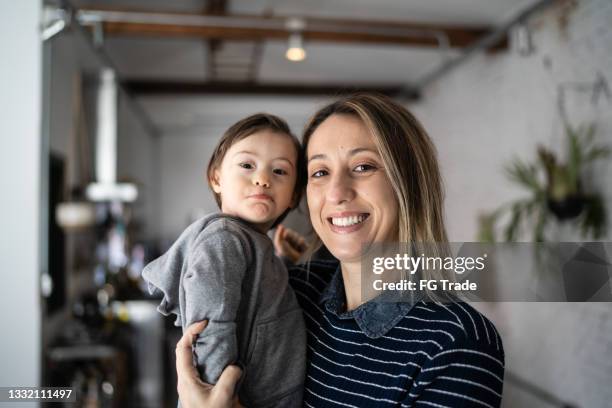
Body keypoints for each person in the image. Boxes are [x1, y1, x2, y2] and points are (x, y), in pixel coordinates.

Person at [175, 94, 505, 407]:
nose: (336, 192)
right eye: (320, 172)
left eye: (363, 167)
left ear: (409, 181)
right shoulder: (294, 292)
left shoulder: (458, 342)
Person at [143, 113, 307, 407]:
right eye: (247, 165)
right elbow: (210, 327)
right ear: (216, 178)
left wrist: (282, 263)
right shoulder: (224, 238)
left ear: (294, 195)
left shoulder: (252, 242)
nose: (262, 179)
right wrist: (216, 395)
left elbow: (255, 309)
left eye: (280, 171)